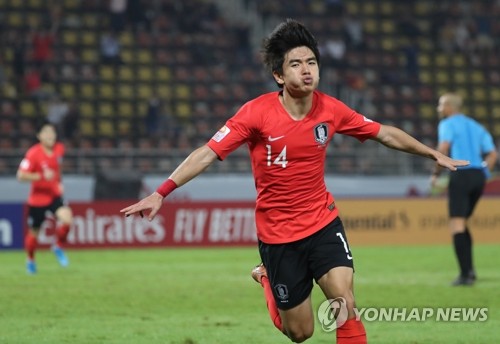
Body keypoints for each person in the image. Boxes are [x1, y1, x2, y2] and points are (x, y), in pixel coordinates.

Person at [121, 19, 468, 343]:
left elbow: (385, 134)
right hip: (278, 234)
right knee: (300, 333)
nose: (307, 70)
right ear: (278, 75)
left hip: (322, 221)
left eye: (312, 62)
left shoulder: (331, 109)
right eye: (296, 64)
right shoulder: (255, 113)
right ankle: (267, 277)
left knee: (344, 300)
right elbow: (207, 153)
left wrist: (431, 153)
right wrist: (161, 192)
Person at [431, 92, 497, 287]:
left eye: (441, 104)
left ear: (450, 106)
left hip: (460, 174)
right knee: (463, 222)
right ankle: (470, 271)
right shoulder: (476, 126)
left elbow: (443, 149)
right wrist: (483, 174)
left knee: (457, 224)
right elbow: (492, 154)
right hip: (478, 175)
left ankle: (465, 274)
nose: (439, 108)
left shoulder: (447, 124)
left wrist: (435, 173)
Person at [17, 121, 73, 274]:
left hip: (54, 195)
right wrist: (40, 175)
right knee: (34, 233)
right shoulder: (33, 153)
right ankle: (30, 260)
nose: (50, 135)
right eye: (46, 132)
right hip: (38, 200)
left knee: (67, 219)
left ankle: (58, 246)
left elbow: (57, 168)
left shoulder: (59, 149)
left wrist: (59, 182)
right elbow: (20, 175)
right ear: (39, 136)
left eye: (52, 132)